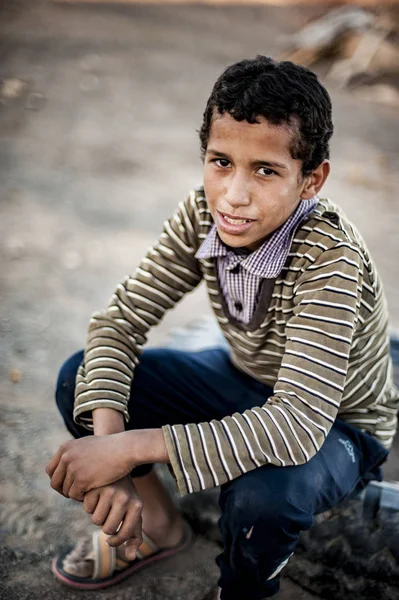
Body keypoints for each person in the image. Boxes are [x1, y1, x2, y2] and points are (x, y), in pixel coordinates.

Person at [46, 56, 399, 600]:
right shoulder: (203, 214)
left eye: (265, 170)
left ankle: (242, 589)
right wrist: (110, 463)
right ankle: (159, 527)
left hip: (336, 419)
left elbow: (296, 425)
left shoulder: (331, 258)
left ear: (312, 179)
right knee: (80, 382)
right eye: (221, 161)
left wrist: (129, 448)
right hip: (245, 378)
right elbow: (119, 323)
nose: (233, 194)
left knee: (262, 499)